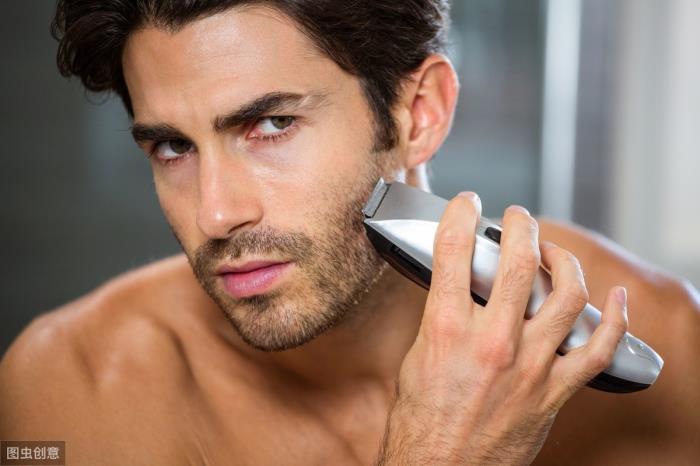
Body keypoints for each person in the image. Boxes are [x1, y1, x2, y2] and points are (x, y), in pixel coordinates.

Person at [1, 1, 698, 464]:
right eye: (173, 147)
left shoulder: (667, 348)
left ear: (419, 114)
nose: (214, 215)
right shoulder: (74, 389)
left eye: (271, 125)